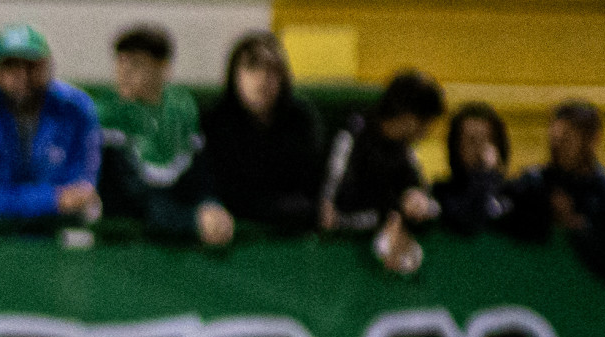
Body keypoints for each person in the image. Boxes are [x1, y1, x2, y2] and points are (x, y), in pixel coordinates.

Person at [0, 23, 100, 223]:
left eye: (31, 66)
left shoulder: (75, 109)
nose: (22, 76)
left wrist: (62, 201)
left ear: (47, 66)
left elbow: (80, 190)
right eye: (11, 66)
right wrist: (50, 200)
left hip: (50, 235)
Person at [91, 24, 231, 245]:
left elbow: (200, 177)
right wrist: (191, 221)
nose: (124, 73)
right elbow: (129, 197)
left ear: (163, 68)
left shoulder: (182, 111)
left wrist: (210, 205)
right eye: (120, 62)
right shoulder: (106, 116)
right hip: (125, 248)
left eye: (136, 65)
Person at [199, 30, 324, 234]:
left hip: (291, 237)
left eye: (272, 70)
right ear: (235, 75)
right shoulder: (214, 122)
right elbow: (222, 192)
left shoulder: (300, 120)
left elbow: (309, 189)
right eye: (252, 67)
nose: (262, 78)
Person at [321, 70, 445, 274]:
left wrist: (417, 203)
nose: (427, 132)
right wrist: (390, 217)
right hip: (342, 260)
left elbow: (423, 198)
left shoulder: (405, 149)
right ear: (408, 117)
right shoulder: (352, 137)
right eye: (425, 123)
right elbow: (330, 215)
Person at [505, 100, 605, 285]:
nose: (558, 150)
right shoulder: (535, 181)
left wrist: (574, 225)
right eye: (554, 141)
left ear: (590, 140)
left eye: (566, 141)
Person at [432, 102, 511, 235]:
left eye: (487, 140)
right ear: (456, 147)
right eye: (471, 141)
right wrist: (485, 175)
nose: (480, 151)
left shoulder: (513, 192)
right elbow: (469, 220)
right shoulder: (442, 193)